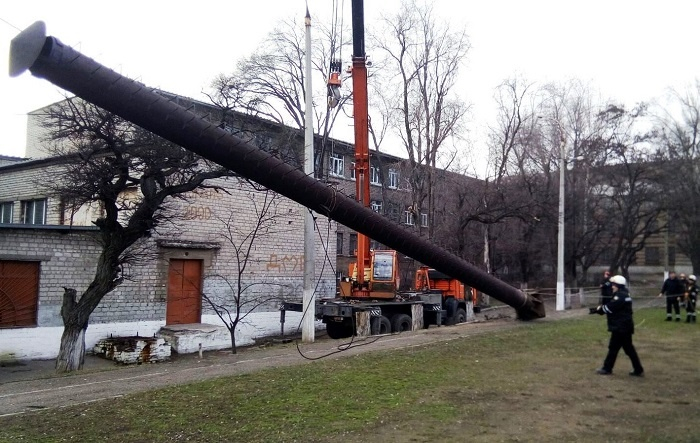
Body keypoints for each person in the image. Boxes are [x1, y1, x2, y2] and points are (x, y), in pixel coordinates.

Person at [593, 275, 644, 376]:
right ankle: (638, 369)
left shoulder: (620, 296)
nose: (612, 286)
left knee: (614, 347)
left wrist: (598, 310)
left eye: (614, 285)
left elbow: (611, 307)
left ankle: (607, 368)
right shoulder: (624, 293)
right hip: (623, 326)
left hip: (621, 327)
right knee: (628, 348)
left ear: (618, 285)